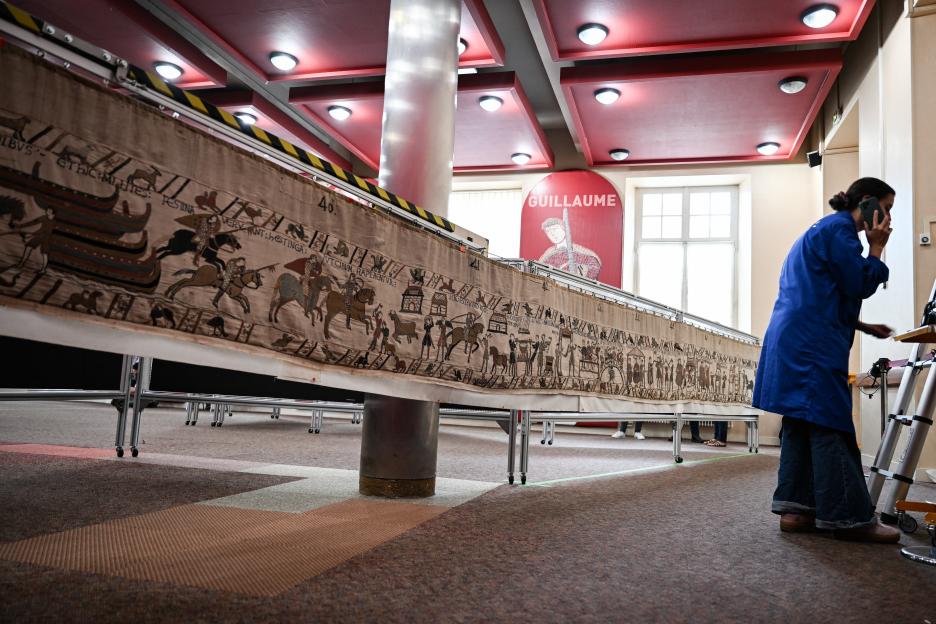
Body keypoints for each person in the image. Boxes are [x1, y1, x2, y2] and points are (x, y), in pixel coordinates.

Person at [754, 177, 899, 543]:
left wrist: (862, 325)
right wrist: (877, 248)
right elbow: (860, 283)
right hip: (812, 342)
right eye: (886, 209)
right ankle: (851, 518)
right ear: (867, 202)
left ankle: (795, 509)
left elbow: (824, 291)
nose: (887, 220)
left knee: (802, 420)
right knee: (830, 421)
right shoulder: (842, 232)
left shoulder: (822, 229)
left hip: (795, 336)